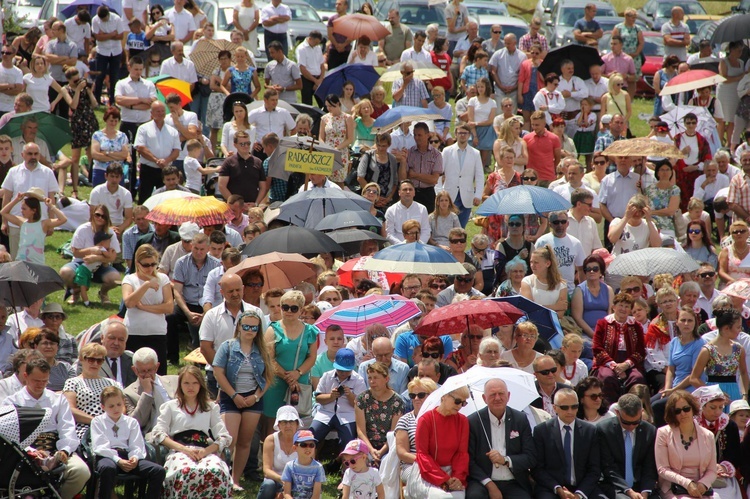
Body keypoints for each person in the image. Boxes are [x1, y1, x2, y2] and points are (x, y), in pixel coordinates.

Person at [7, 358, 91, 499]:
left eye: (44, 381)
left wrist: (64, 450)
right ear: (26, 376)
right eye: (36, 381)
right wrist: (31, 452)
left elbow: (67, 428)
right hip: (24, 452)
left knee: (81, 471)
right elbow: (10, 435)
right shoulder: (12, 401)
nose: (40, 385)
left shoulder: (58, 400)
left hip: (55, 448)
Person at [212, 309, 272, 492]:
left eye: (254, 327)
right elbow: (218, 372)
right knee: (229, 440)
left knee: (246, 441)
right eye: (246, 326)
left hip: (253, 398)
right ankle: (220, 477)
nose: (249, 330)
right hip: (231, 397)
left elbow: (268, 377)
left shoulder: (262, 350)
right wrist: (234, 395)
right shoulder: (228, 346)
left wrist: (256, 396)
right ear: (238, 326)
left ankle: (235, 480)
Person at [148, 366, 232, 498]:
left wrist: (206, 451)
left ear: (200, 385)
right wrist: (184, 449)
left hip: (204, 451)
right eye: (186, 383)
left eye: (195, 383)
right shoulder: (171, 406)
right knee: (186, 471)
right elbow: (158, 433)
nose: (190, 387)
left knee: (216, 470)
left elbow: (224, 436)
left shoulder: (210, 407)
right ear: (180, 385)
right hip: (179, 451)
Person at [91, 385, 166, 499]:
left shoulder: (131, 422)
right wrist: (118, 460)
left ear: (123, 403)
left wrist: (134, 458)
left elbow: (136, 444)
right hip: (108, 457)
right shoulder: (98, 422)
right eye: (111, 406)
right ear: (103, 407)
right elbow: (100, 446)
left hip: (127, 456)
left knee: (158, 471)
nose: (116, 409)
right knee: (107, 468)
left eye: (119, 404)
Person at [465, 378, 535, 499]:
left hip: (514, 481)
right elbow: (469, 460)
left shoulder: (520, 419)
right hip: (483, 481)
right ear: (484, 398)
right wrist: (490, 484)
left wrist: (505, 460)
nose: (497, 398)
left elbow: (530, 457)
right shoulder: (473, 421)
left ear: (508, 396)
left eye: (501, 393)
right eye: (492, 394)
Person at [532, 387, 602, 499]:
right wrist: (558, 489)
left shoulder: (590, 431)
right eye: (564, 407)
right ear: (555, 408)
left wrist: (579, 494)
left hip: (583, 487)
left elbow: (594, 469)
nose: (570, 411)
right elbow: (538, 469)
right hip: (552, 488)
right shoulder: (542, 431)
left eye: (574, 407)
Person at [263, 290, 319, 427]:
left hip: (299, 384)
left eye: (293, 308)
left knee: (297, 424)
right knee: (273, 425)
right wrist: (288, 377)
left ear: (301, 310)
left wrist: (297, 373)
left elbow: (312, 357)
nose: (288, 311)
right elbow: (269, 359)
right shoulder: (272, 330)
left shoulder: (310, 331)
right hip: (276, 383)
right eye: (285, 307)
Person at [405, 385, 469, 498]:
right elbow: (423, 455)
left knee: (458, 496)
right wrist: (445, 479)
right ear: (444, 396)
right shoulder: (426, 420)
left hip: (452, 472)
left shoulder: (462, 421)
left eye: (463, 403)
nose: (460, 406)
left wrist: (457, 478)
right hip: (426, 472)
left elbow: (461, 454)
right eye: (457, 401)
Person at [655, 390, 718, 499]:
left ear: (693, 409)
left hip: (700, 490)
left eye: (686, 409)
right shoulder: (663, 433)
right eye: (677, 411)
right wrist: (687, 484)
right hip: (674, 488)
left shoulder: (708, 435)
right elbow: (662, 469)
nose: (683, 413)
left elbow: (712, 470)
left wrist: (703, 484)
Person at [597, 393, 658, 499]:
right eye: (626, 422)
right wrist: (628, 491)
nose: (631, 426)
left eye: (636, 422)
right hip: (615, 486)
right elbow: (608, 467)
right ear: (617, 413)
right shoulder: (604, 430)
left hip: (640, 485)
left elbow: (649, 466)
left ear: (641, 412)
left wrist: (645, 491)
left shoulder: (649, 431)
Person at [122, 244, 173, 370]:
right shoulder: (129, 279)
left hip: (157, 332)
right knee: (133, 372)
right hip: (134, 332)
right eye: (146, 265)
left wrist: (144, 307)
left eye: (153, 264)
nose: (150, 268)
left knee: (159, 373)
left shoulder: (163, 279)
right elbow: (129, 302)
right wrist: (146, 285)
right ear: (137, 263)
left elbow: (169, 307)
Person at [591, 292, 647, 403]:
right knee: (607, 377)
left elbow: (640, 351)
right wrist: (614, 366)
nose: (623, 309)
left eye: (627, 306)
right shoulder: (603, 323)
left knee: (637, 378)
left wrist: (626, 365)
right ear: (614, 307)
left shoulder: (636, 326)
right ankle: (608, 409)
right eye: (621, 305)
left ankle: (633, 410)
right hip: (606, 362)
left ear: (630, 310)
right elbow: (597, 348)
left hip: (629, 363)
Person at [310, 347, 366, 454]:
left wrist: (350, 395)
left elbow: (360, 405)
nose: (343, 373)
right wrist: (331, 396)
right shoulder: (327, 376)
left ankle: (345, 466)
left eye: (346, 370)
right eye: (340, 370)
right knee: (311, 437)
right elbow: (318, 398)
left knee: (348, 442)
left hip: (347, 416)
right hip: (326, 413)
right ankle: (310, 463)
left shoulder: (358, 380)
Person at [59, 205, 120, 304]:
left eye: (103, 216)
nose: (100, 218)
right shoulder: (82, 229)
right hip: (80, 263)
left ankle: (103, 293)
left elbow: (113, 257)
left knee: (115, 278)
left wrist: (96, 258)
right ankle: (76, 292)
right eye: (97, 215)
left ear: (107, 219)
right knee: (65, 272)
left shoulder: (110, 233)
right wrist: (91, 250)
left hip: (101, 265)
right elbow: (75, 252)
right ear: (92, 215)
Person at [63, 341, 123, 440]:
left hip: (113, 425)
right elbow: (70, 410)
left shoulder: (112, 383)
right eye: (91, 359)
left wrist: (112, 420)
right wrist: (97, 421)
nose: (95, 363)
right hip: (87, 427)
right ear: (81, 359)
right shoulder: (73, 382)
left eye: (99, 361)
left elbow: (122, 406)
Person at [689, 308, 749, 403]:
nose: (740, 330)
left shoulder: (739, 349)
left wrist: (745, 395)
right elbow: (693, 378)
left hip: (733, 394)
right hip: (713, 398)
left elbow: (744, 373)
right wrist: (714, 393)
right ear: (726, 328)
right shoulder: (708, 350)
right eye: (738, 327)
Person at [355, 361, 404, 462]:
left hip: (388, 445)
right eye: (370, 378)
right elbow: (360, 431)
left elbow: (393, 432)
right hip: (367, 444)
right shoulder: (362, 399)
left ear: (386, 379)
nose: (372, 381)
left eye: (376, 378)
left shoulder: (397, 401)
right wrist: (371, 450)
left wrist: (381, 452)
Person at [123, 347, 178, 435]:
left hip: (180, 431)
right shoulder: (128, 393)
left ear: (157, 367)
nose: (147, 374)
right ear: (134, 370)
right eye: (142, 371)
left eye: (150, 370)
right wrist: (147, 393)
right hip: (153, 436)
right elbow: (136, 423)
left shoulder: (176, 381)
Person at [0, 192, 65, 264]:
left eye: (24, 209)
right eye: (21, 208)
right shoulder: (22, 222)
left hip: (37, 263)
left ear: (33, 210)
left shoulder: (43, 224)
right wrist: (16, 200)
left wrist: (51, 206)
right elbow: (3, 212)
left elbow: (63, 219)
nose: (21, 211)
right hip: (21, 262)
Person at [259, 405, 301, 499]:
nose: (288, 426)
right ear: (278, 425)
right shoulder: (271, 440)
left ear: (297, 424)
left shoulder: (304, 441)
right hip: (275, 479)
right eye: (284, 422)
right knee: (268, 486)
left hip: (297, 481)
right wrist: (282, 480)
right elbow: (266, 470)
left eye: (291, 422)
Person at [520, 246, 568, 318]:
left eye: (536, 262)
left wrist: (538, 309)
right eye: (531, 262)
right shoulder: (526, 281)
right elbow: (529, 310)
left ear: (548, 264)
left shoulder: (562, 285)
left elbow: (560, 314)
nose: (532, 265)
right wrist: (555, 307)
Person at [320, 94, 354, 187]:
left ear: (338, 104)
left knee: (339, 181)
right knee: (325, 180)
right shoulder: (325, 118)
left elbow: (350, 138)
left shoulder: (347, 118)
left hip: (341, 152)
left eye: (331, 106)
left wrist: (337, 148)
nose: (328, 108)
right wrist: (324, 147)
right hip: (327, 151)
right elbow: (321, 137)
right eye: (327, 106)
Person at [281, 429, 326, 499]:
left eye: (311, 445)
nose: (308, 448)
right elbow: (286, 493)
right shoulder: (289, 466)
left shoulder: (318, 467)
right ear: (295, 448)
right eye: (303, 445)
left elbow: (316, 496)